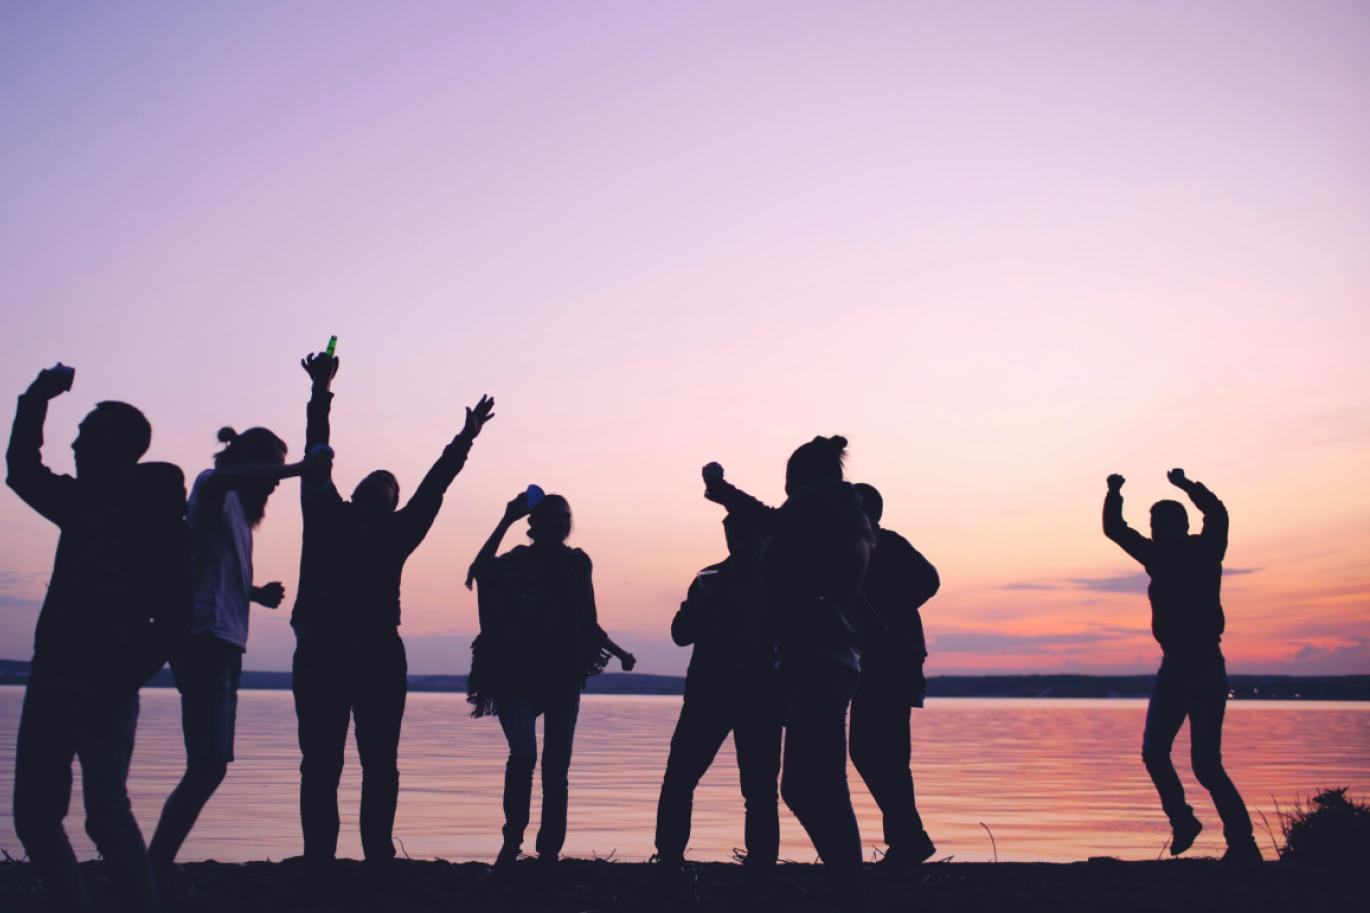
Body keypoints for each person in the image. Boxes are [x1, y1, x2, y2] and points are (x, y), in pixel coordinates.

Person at [291, 351, 494, 871]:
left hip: (377, 655)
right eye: (374, 480)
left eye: (388, 484)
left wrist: (466, 438)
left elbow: (435, 484)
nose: (379, 483)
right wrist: (321, 391)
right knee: (321, 764)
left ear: (391, 501)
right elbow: (318, 452)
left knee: (378, 763)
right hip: (322, 651)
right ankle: (321, 859)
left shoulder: (398, 531)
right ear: (356, 491)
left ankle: (376, 856)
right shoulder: (326, 514)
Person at [8, 364, 190, 913]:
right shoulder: (90, 501)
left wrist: (37, 396)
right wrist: (34, 398)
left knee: (93, 813)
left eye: (84, 433)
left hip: (97, 683)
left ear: (112, 444)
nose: (75, 441)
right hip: (60, 678)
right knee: (53, 816)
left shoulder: (116, 509)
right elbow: (22, 471)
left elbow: (178, 614)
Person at [702, 436, 877, 913]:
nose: (784, 487)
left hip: (818, 659)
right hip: (825, 658)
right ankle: (847, 887)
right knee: (821, 783)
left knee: (806, 785)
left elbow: (772, 522)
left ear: (800, 477)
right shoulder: (846, 515)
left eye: (787, 477)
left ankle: (848, 887)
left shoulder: (819, 508)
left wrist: (722, 490)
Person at [149, 424, 314, 868]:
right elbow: (221, 479)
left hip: (224, 645)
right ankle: (153, 864)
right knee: (209, 763)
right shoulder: (213, 485)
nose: (276, 481)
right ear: (249, 463)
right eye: (273, 470)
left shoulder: (239, 514)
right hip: (204, 642)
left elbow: (210, 570)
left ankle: (154, 863)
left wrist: (254, 593)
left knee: (210, 763)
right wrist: (301, 468)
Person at [465, 491, 637, 874]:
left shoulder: (578, 564)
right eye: (554, 516)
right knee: (524, 754)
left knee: (557, 768)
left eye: (566, 517)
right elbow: (481, 569)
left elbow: (586, 619)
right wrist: (507, 517)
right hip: (517, 673)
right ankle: (512, 841)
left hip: (562, 674)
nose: (561, 523)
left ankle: (548, 852)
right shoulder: (517, 561)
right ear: (535, 523)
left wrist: (619, 651)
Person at [1102, 469, 1261, 864]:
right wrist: (1114, 493)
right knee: (1155, 753)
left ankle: (1242, 843)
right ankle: (1184, 821)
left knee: (1205, 764)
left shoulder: (1205, 551)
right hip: (1173, 668)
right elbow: (1116, 529)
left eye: (1160, 524)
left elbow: (1217, 513)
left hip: (1204, 666)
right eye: (1153, 525)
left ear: (1179, 526)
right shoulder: (1156, 556)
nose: (1154, 531)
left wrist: (1189, 487)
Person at [652, 514, 781, 893]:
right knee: (686, 780)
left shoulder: (773, 583)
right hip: (716, 695)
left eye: (746, 536)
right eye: (736, 536)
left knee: (754, 788)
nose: (741, 543)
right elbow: (680, 633)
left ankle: (758, 869)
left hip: (751, 696)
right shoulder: (710, 580)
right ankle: (672, 860)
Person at [849, 482, 940, 870]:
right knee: (876, 752)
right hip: (873, 659)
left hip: (895, 659)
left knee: (880, 751)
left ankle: (909, 840)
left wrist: (889, 607)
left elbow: (930, 580)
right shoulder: (856, 547)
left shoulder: (889, 543)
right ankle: (907, 839)